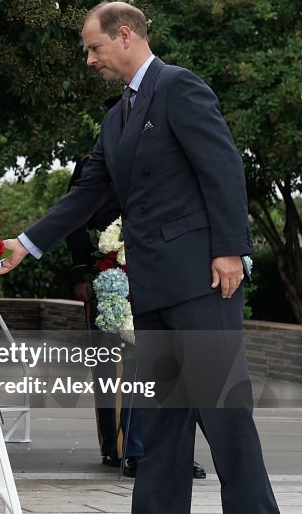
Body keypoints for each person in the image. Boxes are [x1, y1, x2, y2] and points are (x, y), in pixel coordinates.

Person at [0, 2, 289, 514]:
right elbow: (87, 195)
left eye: (94, 47)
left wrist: (230, 249)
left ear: (124, 36)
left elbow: (223, 168)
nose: (91, 59)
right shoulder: (117, 118)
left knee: (222, 412)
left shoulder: (181, 90)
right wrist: (26, 244)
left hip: (202, 280)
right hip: (153, 284)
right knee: (161, 419)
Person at [65, 154, 207, 480]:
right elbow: (76, 217)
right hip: (111, 269)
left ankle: (173, 452)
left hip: (165, 269)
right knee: (118, 364)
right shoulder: (96, 161)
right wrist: (81, 273)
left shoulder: (175, 156)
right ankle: (125, 446)